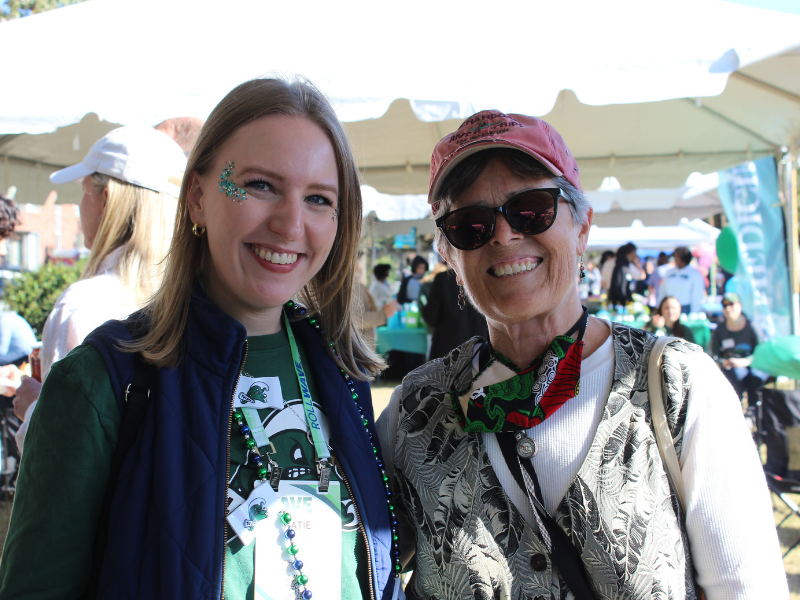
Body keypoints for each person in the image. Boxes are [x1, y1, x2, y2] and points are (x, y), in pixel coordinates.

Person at [0, 78, 401, 600]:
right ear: (196, 197)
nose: (290, 224)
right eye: (260, 185)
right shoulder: (100, 382)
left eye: (320, 198)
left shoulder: (342, 374)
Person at [377, 110, 786, 599]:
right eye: (471, 224)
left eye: (531, 208)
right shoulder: (417, 408)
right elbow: (361, 564)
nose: (503, 235)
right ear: (449, 255)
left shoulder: (675, 384)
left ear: (583, 228)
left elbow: (747, 588)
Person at [12, 126, 185, 451]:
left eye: (83, 190)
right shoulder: (198, 299)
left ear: (106, 199)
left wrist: (35, 408)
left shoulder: (83, 305)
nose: (79, 207)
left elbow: (64, 451)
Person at [419, 265, 489, 361]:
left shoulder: (443, 279)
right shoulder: (487, 277)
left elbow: (431, 317)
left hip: (448, 351)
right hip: (480, 350)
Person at [711, 292, 766, 403]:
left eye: (731, 304)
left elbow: (761, 351)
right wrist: (725, 362)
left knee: (756, 378)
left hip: (752, 365)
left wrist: (745, 361)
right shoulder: (720, 330)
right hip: (732, 368)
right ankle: (738, 410)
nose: (728, 308)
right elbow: (715, 354)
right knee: (733, 376)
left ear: (740, 305)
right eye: (725, 306)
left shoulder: (751, 326)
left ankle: (754, 411)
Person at [657, 246, 705, 314]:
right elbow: (662, 291)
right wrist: (659, 306)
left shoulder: (695, 274)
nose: (675, 259)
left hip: (685, 309)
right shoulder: (669, 273)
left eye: (677, 256)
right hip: (668, 308)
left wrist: (694, 312)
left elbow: (697, 295)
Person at [606, 242, 641, 307]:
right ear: (633, 252)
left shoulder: (620, 264)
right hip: (619, 303)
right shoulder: (623, 266)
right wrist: (626, 299)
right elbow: (621, 286)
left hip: (614, 300)